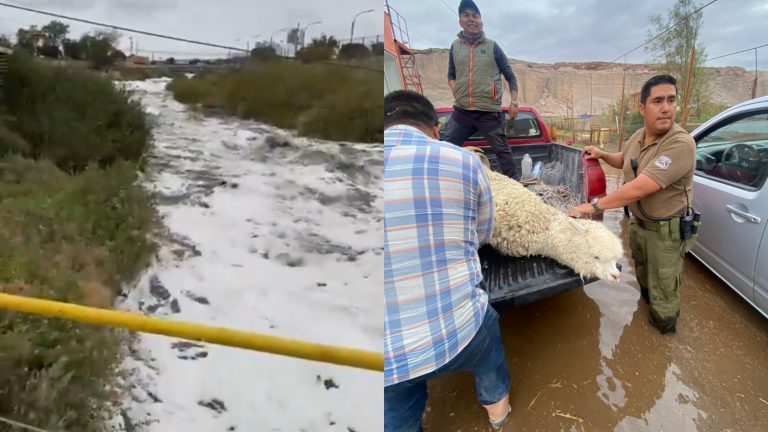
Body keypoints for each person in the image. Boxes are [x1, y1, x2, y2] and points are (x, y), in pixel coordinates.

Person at [384, 89, 512, 431]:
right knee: (490, 356)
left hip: (384, 356)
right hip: (461, 329)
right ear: (435, 129)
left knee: (395, 417)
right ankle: (499, 419)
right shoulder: (465, 161)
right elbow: (483, 233)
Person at [566, 74, 697, 334]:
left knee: (664, 290)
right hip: (639, 225)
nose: (666, 108)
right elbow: (625, 161)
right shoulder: (639, 136)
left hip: (666, 233)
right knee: (645, 280)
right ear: (642, 107)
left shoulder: (680, 144)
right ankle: (646, 317)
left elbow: (638, 188)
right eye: (657, 101)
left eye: (671, 100)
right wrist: (603, 155)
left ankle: (663, 334)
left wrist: (594, 206)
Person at [444, 0, 520, 179]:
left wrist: (514, 101)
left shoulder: (492, 46)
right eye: (466, 15)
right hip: (462, 111)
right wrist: (457, 91)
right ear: (460, 21)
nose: (471, 19)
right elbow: (450, 76)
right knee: (446, 148)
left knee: (503, 152)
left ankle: (516, 186)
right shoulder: (455, 47)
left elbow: (510, 76)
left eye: (475, 16)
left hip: (488, 112)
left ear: (481, 22)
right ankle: (446, 183)